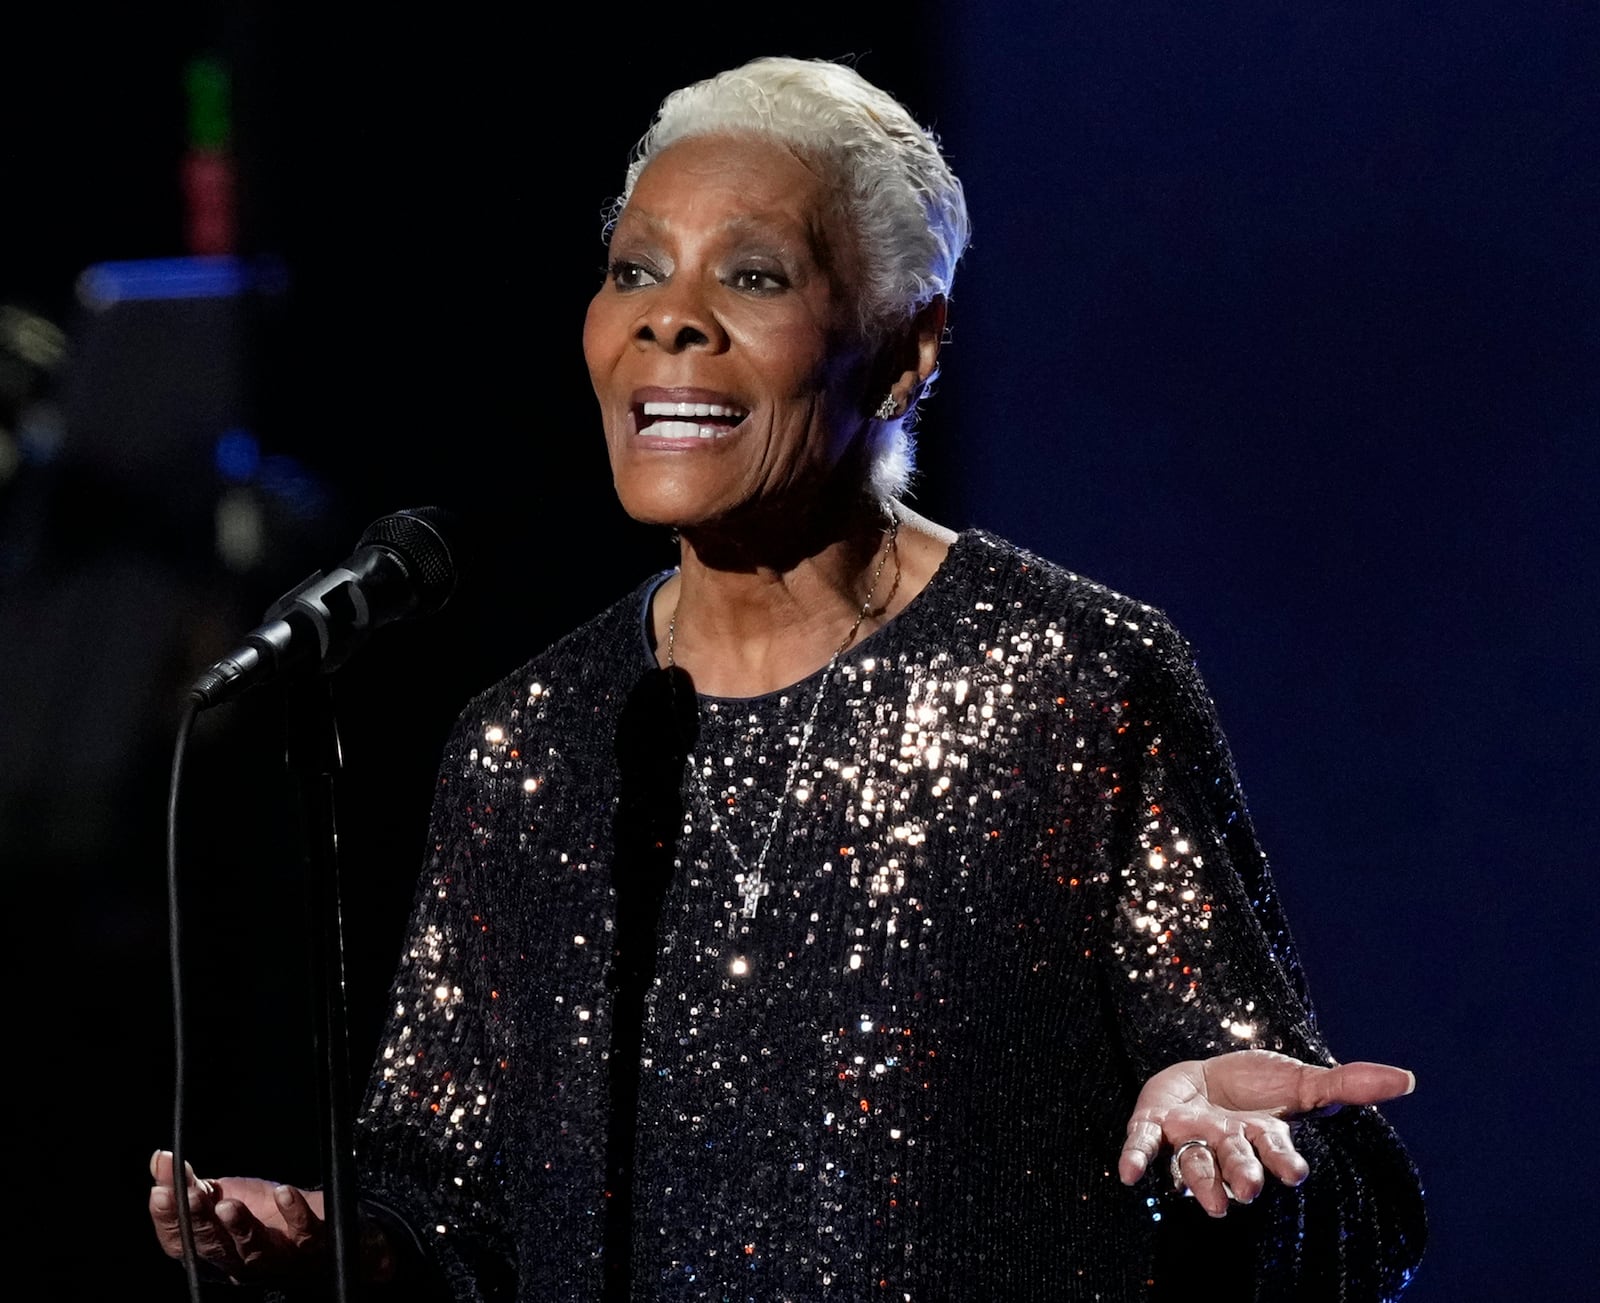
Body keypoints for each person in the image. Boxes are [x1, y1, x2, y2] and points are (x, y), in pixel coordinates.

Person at [149, 55, 1426, 1301]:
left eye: (751, 274)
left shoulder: (1072, 681)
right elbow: (452, 1212)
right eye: (634, 270)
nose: (670, 315)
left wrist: (1252, 1166)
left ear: (907, 350)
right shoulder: (527, 744)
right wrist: (347, 1247)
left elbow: (1334, 1199)